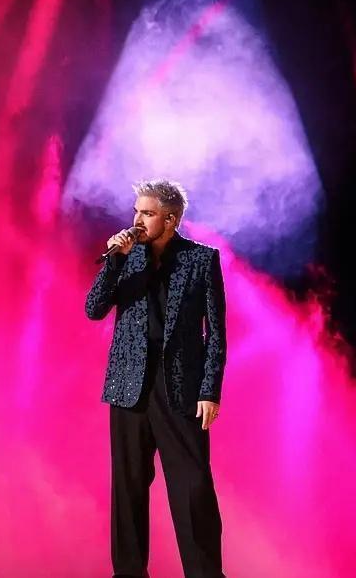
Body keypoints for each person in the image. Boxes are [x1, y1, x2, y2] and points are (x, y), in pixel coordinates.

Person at [85, 178, 227, 578]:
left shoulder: (201, 260)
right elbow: (94, 309)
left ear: (171, 219)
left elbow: (216, 333)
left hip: (179, 387)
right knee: (128, 487)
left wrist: (210, 390)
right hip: (128, 386)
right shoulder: (126, 258)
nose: (137, 220)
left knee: (192, 486)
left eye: (147, 214)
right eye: (136, 212)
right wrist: (114, 261)